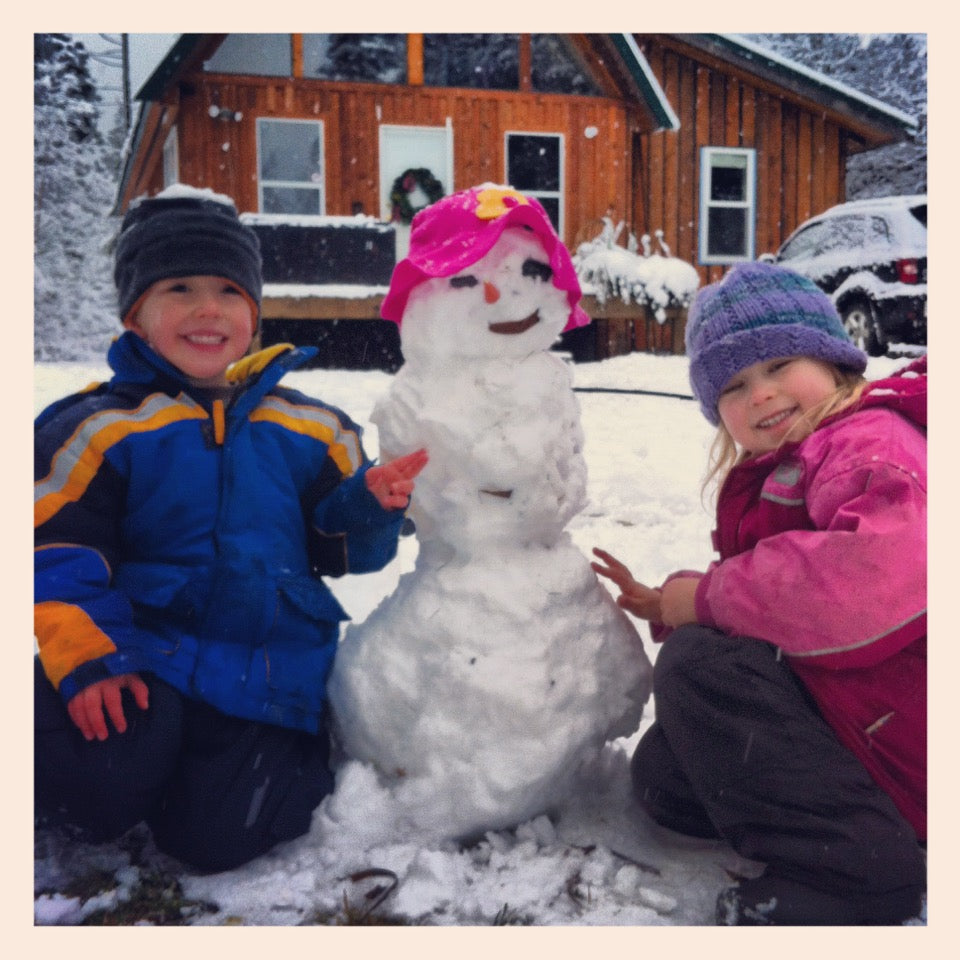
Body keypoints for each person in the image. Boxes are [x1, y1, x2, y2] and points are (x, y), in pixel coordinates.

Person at [34, 185, 427, 872]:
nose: (207, 309)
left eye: (227, 290)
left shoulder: (314, 427)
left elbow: (342, 552)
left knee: (219, 840)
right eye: (179, 288)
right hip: (142, 660)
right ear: (135, 314)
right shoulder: (94, 428)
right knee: (93, 785)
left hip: (264, 674)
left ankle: (227, 777)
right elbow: (54, 550)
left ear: (254, 309)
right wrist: (93, 657)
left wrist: (368, 509)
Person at [592, 261, 926, 925]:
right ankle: (827, 822)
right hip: (858, 718)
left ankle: (855, 868)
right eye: (736, 385)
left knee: (698, 665)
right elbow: (781, 595)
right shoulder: (795, 462)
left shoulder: (869, 445)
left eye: (779, 365)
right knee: (667, 774)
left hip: (908, 735)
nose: (761, 394)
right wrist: (672, 602)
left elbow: (871, 578)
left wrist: (709, 601)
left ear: (834, 361)